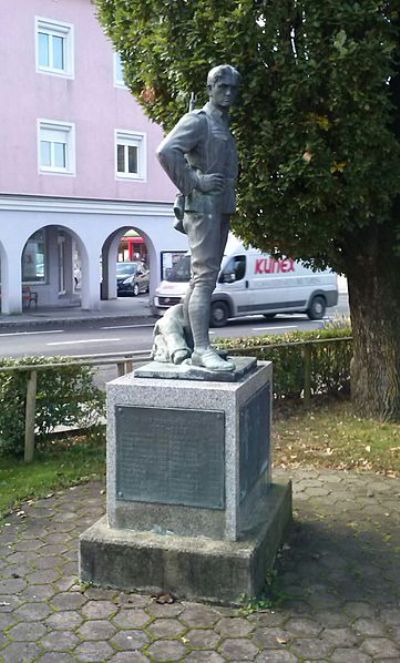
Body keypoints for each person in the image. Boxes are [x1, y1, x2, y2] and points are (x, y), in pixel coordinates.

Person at [156, 64, 241, 371]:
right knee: (204, 278)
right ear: (210, 88)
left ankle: (186, 338)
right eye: (223, 87)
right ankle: (201, 349)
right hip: (202, 207)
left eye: (233, 88)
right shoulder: (199, 120)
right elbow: (166, 151)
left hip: (219, 207)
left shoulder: (221, 123)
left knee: (203, 278)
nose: (229, 93)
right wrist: (196, 181)